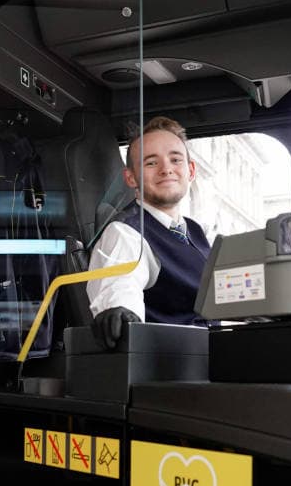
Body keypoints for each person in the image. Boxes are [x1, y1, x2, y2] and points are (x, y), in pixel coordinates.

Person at [86, 116, 212, 348]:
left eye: (175, 159)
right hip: (170, 365)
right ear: (131, 178)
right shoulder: (125, 233)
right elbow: (119, 286)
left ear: (191, 170)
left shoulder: (196, 232)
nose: (166, 169)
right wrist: (121, 312)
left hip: (212, 354)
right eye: (151, 163)